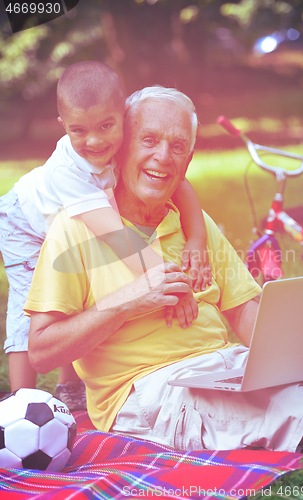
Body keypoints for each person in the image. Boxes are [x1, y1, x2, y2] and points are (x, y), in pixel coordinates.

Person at [26, 86, 303, 454]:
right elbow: (42, 351)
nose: (163, 157)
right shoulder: (76, 227)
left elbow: (244, 313)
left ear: (188, 161)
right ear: (121, 151)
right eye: (149, 140)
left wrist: (302, 348)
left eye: (177, 146)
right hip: (149, 388)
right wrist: (128, 301)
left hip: (226, 369)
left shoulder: (195, 225)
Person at [0, 62, 210, 407]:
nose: (95, 141)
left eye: (105, 126)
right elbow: (116, 236)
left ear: (123, 114)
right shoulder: (70, 173)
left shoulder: (127, 133)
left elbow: (180, 182)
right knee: (32, 308)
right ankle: (21, 402)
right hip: (25, 224)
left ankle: (70, 388)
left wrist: (198, 239)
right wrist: (173, 283)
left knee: (79, 292)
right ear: (62, 126)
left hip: (71, 221)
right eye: (78, 131)